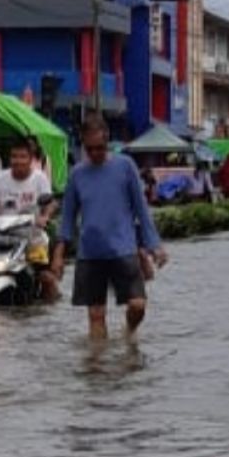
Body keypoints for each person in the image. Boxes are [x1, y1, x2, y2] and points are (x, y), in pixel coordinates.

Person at [51, 115, 169, 339]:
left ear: (107, 142)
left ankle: (129, 333)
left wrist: (155, 246)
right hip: (90, 254)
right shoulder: (77, 174)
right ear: (83, 145)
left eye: (100, 148)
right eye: (90, 149)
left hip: (123, 250)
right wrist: (58, 255)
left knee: (137, 305)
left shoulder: (125, 167)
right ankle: (98, 368)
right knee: (96, 316)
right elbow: (66, 218)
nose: (95, 153)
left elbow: (141, 209)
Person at [0, 137, 60, 302]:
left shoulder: (39, 178)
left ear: (31, 159)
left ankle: (50, 317)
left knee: (46, 278)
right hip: (1, 240)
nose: (17, 161)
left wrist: (44, 216)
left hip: (32, 239)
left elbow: (51, 203)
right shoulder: (0, 178)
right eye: (14, 157)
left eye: (22, 157)